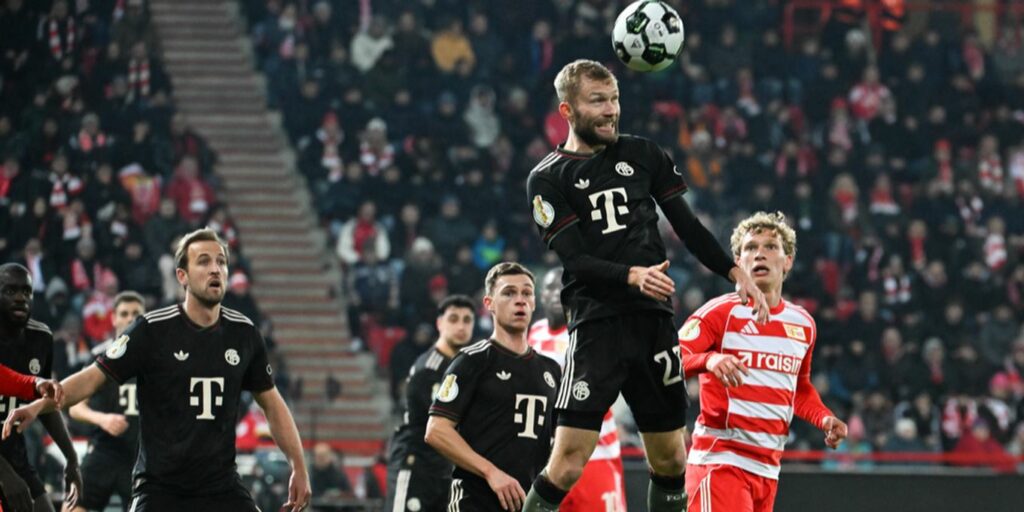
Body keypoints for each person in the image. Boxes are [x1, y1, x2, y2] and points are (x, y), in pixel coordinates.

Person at [522, 59, 767, 512]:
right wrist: (632, 275)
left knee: (672, 457)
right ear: (567, 110)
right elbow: (575, 260)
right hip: (596, 326)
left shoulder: (644, 154)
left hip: (653, 324)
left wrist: (735, 273)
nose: (611, 110)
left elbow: (688, 226)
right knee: (568, 462)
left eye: (614, 99)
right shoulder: (547, 178)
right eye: (598, 101)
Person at [3, 229, 311, 511]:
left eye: (221, 262)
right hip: (161, 489)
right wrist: (37, 406)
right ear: (182, 276)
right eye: (204, 261)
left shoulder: (244, 334)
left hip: (222, 486)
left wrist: (298, 466)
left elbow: (272, 404)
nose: (215, 269)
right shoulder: (151, 330)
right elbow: (90, 379)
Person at [678, 212, 849, 511]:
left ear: (788, 261)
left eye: (770, 247)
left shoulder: (803, 324)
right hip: (721, 463)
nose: (759, 254)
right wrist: (709, 360)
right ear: (738, 262)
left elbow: (798, 389)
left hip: (768, 471)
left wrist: (824, 418)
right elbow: (668, 358)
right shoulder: (719, 313)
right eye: (750, 247)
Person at [424, 263, 561, 511]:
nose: (520, 300)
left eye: (526, 293)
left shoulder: (551, 370)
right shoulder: (472, 361)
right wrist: (491, 473)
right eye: (509, 293)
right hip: (475, 501)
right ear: (489, 304)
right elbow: (436, 430)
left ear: (533, 302)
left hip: (528, 503)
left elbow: (556, 439)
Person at [527, 268, 625, 512]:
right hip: (549, 455)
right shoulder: (535, 332)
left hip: (594, 452)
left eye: (562, 288)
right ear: (540, 294)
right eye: (550, 287)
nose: (555, 293)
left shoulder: (590, 333)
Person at [0, 263, 81, 512]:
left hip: (16, 457)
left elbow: (45, 403)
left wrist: (71, 458)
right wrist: (4, 474)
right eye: (10, 291)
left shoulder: (41, 337)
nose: (20, 298)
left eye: (26, 291)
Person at [385, 295, 475, 512]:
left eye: (467, 320)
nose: (461, 326)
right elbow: (443, 424)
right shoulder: (429, 368)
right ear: (439, 323)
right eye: (453, 319)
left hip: (443, 468)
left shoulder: (464, 368)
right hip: (416, 465)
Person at [68, 291, 146, 512]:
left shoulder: (156, 358)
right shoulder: (100, 356)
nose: (130, 319)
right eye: (124, 313)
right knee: (72, 506)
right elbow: (75, 407)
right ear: (113, 318)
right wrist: (102, 419)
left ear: (144, 319)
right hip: (104, 449)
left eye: (136, 314)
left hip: (140, 454)